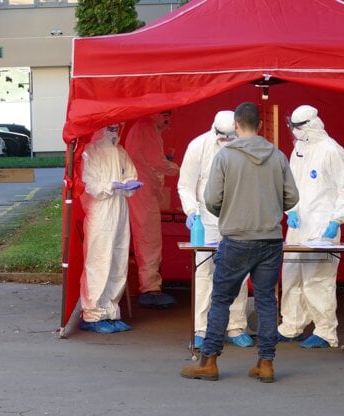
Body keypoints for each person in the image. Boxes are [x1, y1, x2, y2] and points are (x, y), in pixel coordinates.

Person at [181, 102, 299, 383]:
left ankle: (208, 361)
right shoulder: (278, 156)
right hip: (270, 239)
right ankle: (266, 363)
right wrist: (269, 207)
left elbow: (210, 200)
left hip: (235, 238)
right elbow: (292, 198)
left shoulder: (225, 156)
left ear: (236, 125)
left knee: (221, 299)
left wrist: (230, 211)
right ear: (260, 126)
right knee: (267, 301)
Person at [278, 105, 344, 349]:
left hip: (322, 227)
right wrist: (289, 210)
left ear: (309, 126)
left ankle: (325, 331)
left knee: (318, 280)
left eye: (297, 128)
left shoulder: (332, 151)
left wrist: (336, 221)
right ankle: (291, 326)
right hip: (298, 226)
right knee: (291, 277)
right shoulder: (299, 149)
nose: (294, 132)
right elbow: (289, 184)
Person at [177, 111, 254, 349]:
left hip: (238, 218)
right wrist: (191, 212)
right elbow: (186, 184)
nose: (227, 141)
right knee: (204, 273)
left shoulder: (248, 147)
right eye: (223, 138)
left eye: (231, 137)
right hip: (206, 220)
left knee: (239, 274)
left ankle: (236, 325)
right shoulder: (198, 146)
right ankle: (202, 328)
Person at [79, 125, 142, 333]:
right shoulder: (91, 151)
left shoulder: (120, 152)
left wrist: (128, 185)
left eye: (117, 128)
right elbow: (89, 184)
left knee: (118, 259)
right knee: (99, 260)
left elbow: (131, 174)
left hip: (120, 208)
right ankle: (92, 314)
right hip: (101, 211)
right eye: (110, 128)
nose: (114, 132)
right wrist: (112, 186)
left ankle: (110, 311)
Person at [125, 111, 179, 308]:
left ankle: (150, 286)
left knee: (147, 237)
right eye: (167, 114)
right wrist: (176, 168)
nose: (168, 119)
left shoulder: (145, 126)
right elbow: (156, 161)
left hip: (144, 188)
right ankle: (150, 289)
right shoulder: (146, 127)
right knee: (149, 238)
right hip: (143, 189)